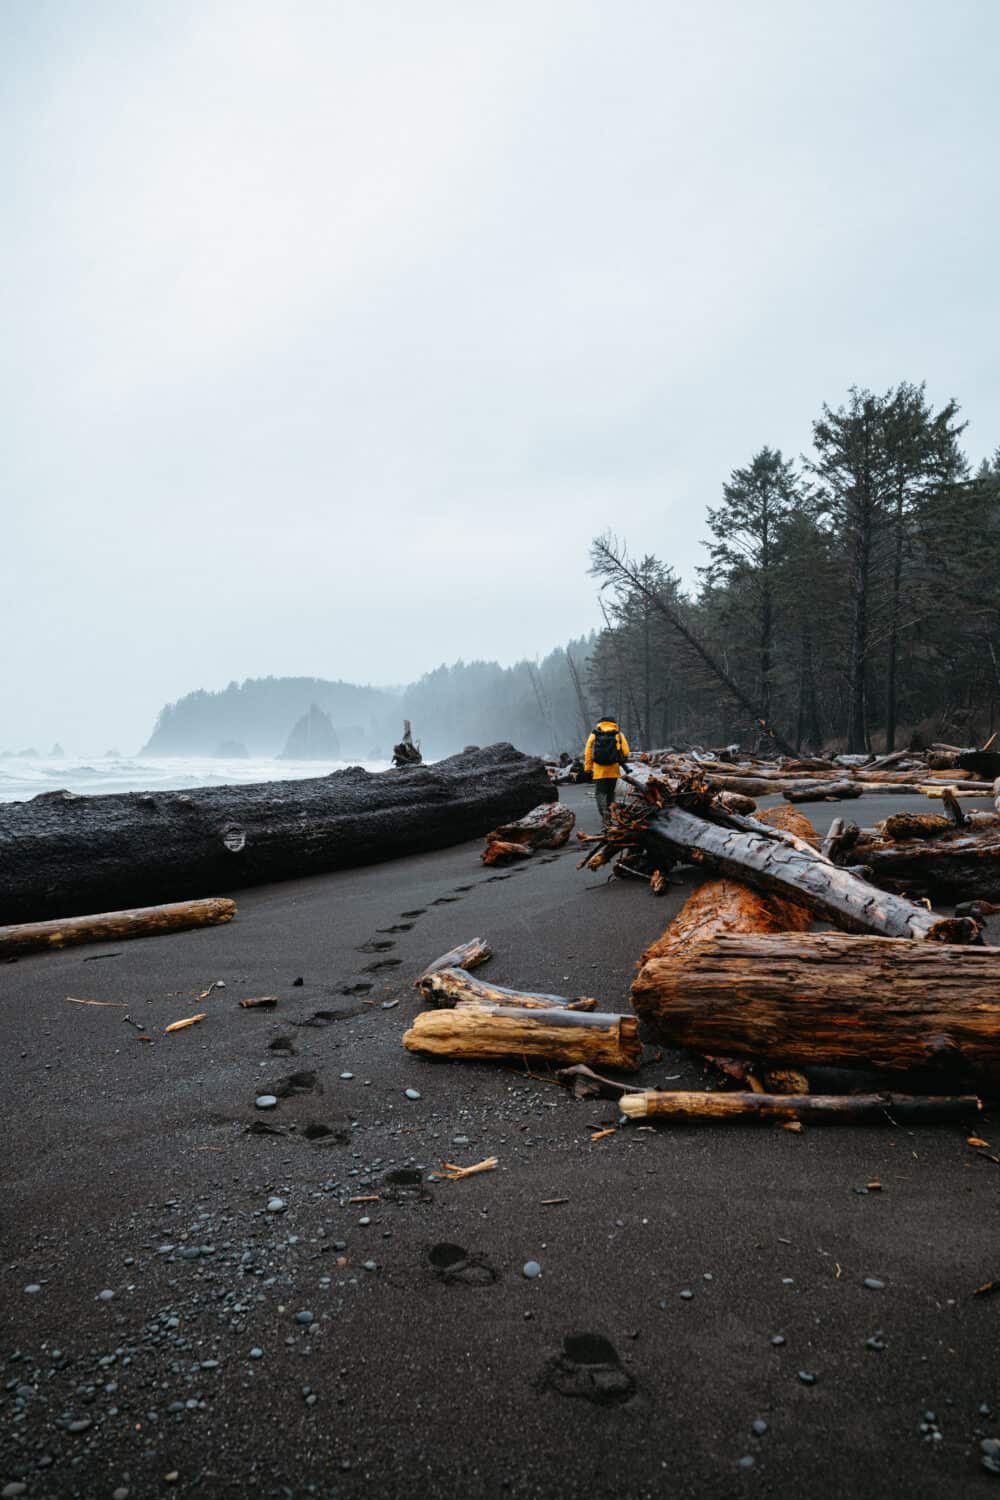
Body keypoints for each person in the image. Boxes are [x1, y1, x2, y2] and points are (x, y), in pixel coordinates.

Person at [583, 715, 630, 825]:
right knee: (610, 792)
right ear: (613, 723)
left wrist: (588, 767)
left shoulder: (595, 733)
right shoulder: (618, 734)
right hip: (613, 769)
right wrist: (620, 758)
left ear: (601, 723)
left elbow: (588, 751)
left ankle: (604, 814)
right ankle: (610, 811)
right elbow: (626, 751)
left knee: (600, 792)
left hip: (599, 770)